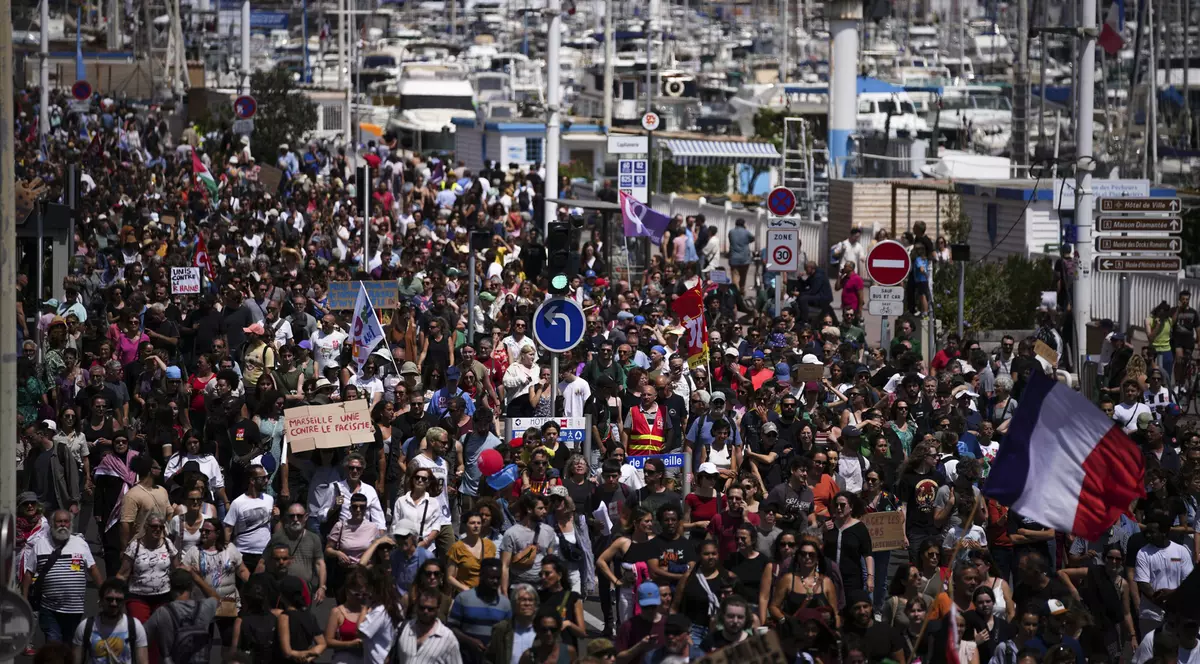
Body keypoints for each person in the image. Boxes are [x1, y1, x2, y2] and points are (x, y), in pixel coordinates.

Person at [24, 509, 104, 647]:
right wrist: (24, 600)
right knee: (53, 644)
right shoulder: (40, 544)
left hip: (74, 609)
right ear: (52, 524)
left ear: (70, 524)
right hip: (49, 608)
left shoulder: (80, 543)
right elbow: (29, 573)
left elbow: (93, 569)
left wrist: (104, 593)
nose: (62, 525)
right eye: (59, 521)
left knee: (70, 646)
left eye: (66, 521)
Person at [181, 517, 249, 652]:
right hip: (203, 606)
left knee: (228, 645)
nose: (204, 533)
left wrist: (252, 584)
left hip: (227, 604)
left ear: (217, 533)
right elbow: (182, 571)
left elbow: (242, 570)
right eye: (202, 530)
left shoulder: (229, 549)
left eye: (207, 531)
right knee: (202, 647)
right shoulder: (194, 551)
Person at [143, 567, 221, 664]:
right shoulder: (205, 607)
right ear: (191, 586)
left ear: (170, 587)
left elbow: (142, 639)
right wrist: (196, 578)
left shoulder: (162, 612)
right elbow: (217, 599)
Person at [258, 501, 327, 605]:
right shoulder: (278, 537)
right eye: (292, 516)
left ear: (306, 517)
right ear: (287, 518)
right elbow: (263, 562)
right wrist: (256, 584)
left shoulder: (314, 539)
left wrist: (322, 587)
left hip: (304, 590)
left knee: (302, 620)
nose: (295, 519)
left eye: (299, 516)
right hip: (281, 589)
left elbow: (319, 563)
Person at [116, 512, 179, 624]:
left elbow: (177, 569)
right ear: (146, 527)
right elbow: (122, 574)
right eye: (154, 526)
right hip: (138, 596)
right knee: (141, 630)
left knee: (161, 631)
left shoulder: (168, 544)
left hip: (163, 597)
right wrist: (114, 593)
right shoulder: (135, 546)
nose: (158, 529)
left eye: (161, 527)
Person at [672, 539, 738, 646]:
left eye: (714, 553)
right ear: (699, 556)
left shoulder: (729, 576)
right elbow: (674, 607)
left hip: (722, 630)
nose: (711, 557)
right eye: (706, 554)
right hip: (694, 632)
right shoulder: (688, 578)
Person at [72, 579, 150, 664]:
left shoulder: (135, 627)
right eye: (109, 599)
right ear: (101, 601)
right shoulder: (85, 626)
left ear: (124, 602)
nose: (114, 604)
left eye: (118, 600)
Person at [448, 558, 512, 658]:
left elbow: (509, 634)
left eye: (498, 578)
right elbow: (451, 628)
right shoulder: (463, 598)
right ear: (481, 576)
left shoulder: (505, 604)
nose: (495, 581)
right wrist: (470, 641)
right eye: (491, 578)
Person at [500, 492, 559, 591]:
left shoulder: (549, 531)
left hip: (542, 588)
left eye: (545, 508)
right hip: (517, 588)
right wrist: (504, 592)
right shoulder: (511, 533)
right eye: (540, 508)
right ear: (529, 509)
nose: (544, 511)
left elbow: (552, 562)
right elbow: (504, 566)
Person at [223, 464, 275, 573]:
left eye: (267, 477)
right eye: (263, 478)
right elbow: (228, 529)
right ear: (252, 480)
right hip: (243, 553)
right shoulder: (238, 503)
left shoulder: (269, 500)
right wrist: (226, 552)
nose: (267, 480)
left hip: (264, 553)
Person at [396, 588, 463, 664]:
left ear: (438, 609)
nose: (425, 611)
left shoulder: (448, 638)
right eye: (422, 608)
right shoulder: (403, 628)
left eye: (430, 609)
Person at [323, 566, 368, 664]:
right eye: (357, 594)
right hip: (344, 657)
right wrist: (349, 644)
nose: (361, 598)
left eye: (364, 595)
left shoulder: (368, 611)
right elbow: (328, 641)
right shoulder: (337, 612)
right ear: (348, 591)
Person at [276, 575, 327, 662]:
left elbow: (287, 652)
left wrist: (302, 655)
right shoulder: (310, 616)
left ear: (282, 596)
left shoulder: (284, 617)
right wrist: (309, 656)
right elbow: (322, 644)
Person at [486, 583, 540, 664]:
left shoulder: (543, 630)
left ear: (535, 604)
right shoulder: (502, 629)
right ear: (514, 603)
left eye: (531, 600)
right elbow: (489, 658)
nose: (527, 603)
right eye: (522, 600)